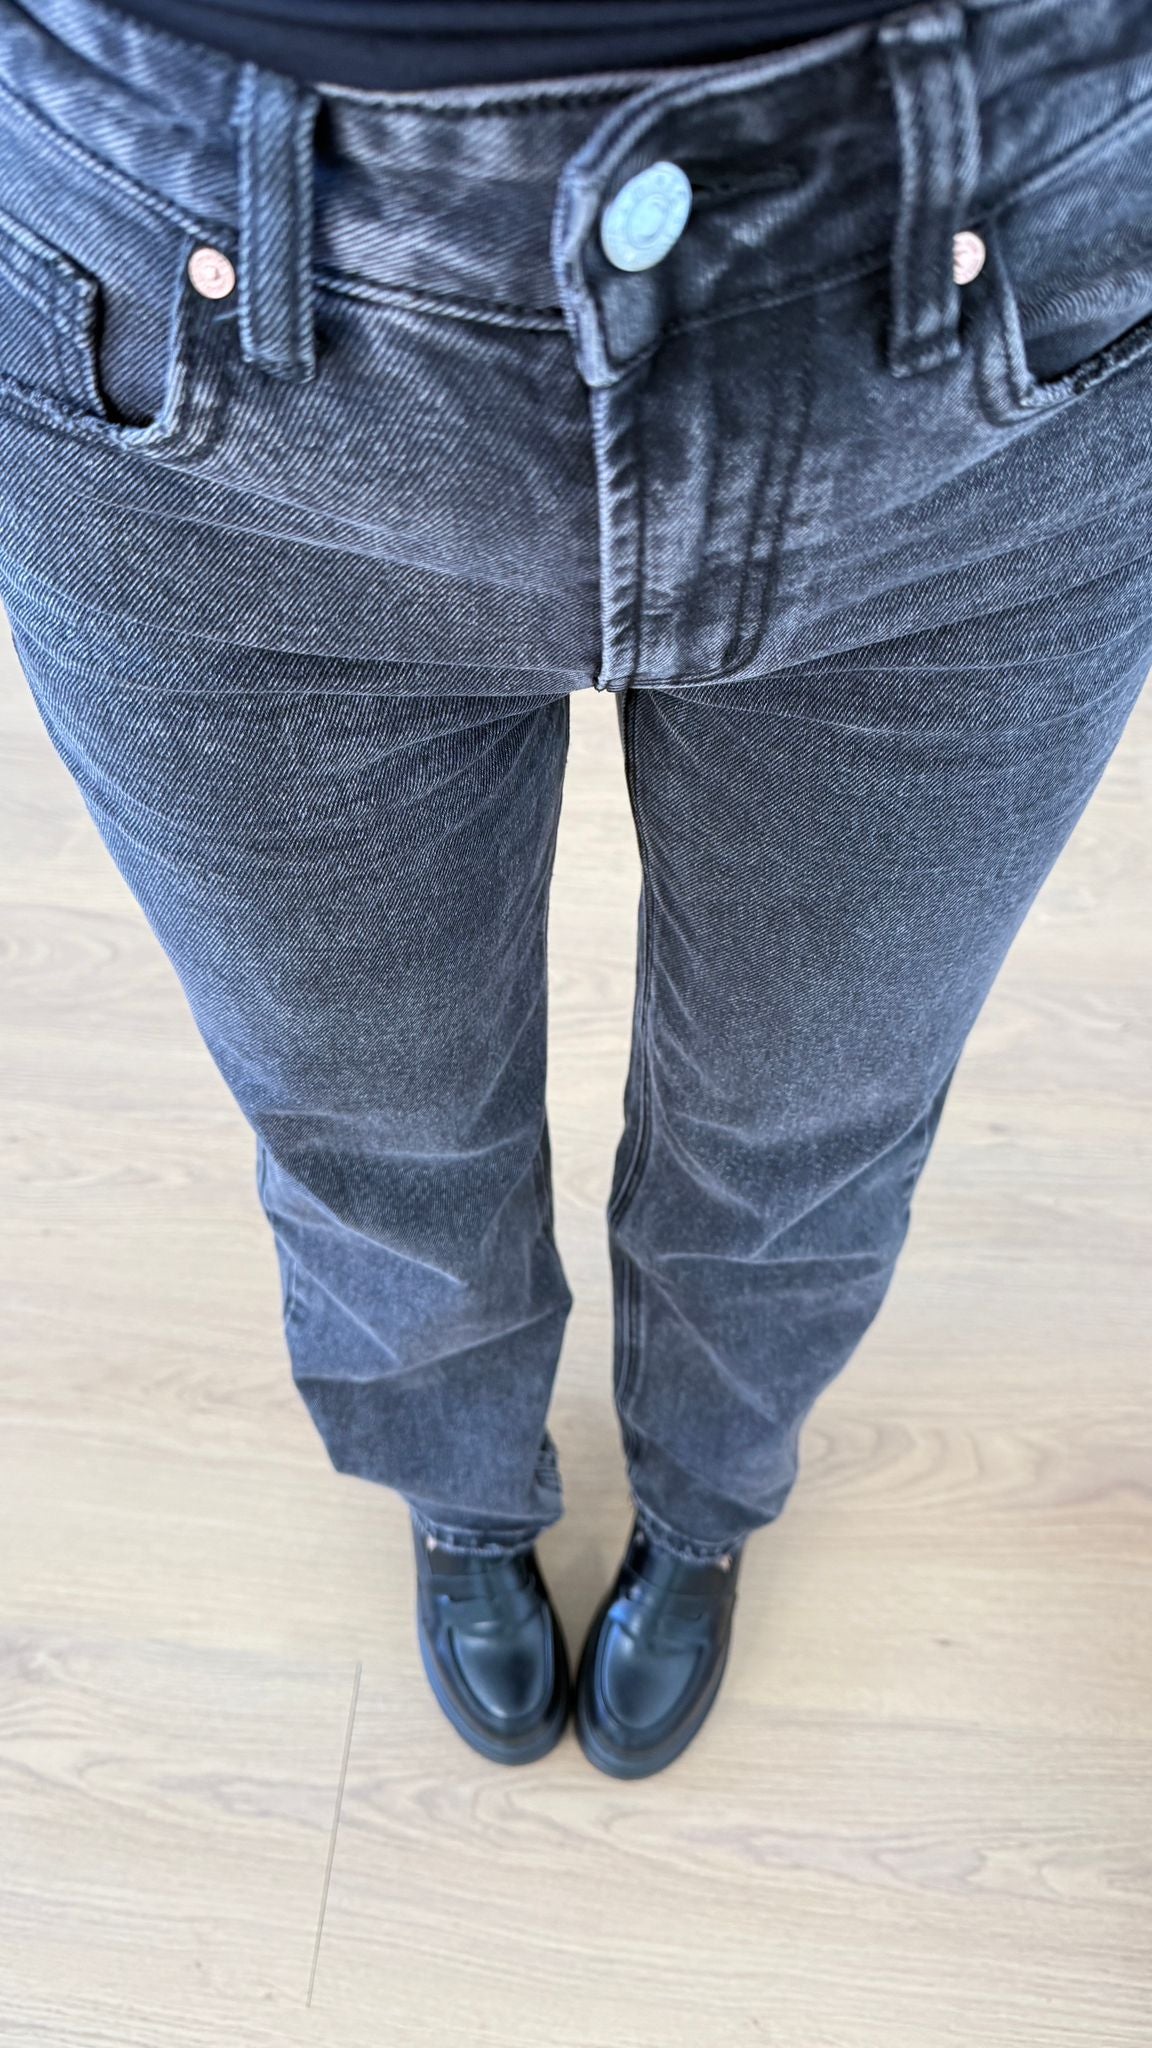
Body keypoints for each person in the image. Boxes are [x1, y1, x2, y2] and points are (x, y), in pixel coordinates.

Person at [1, 0, 1148, 1780]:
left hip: (988, 314)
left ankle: (707, 1499)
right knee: (370, 1113)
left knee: (809, 1115)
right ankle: (460, 1490)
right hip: (193, 311)